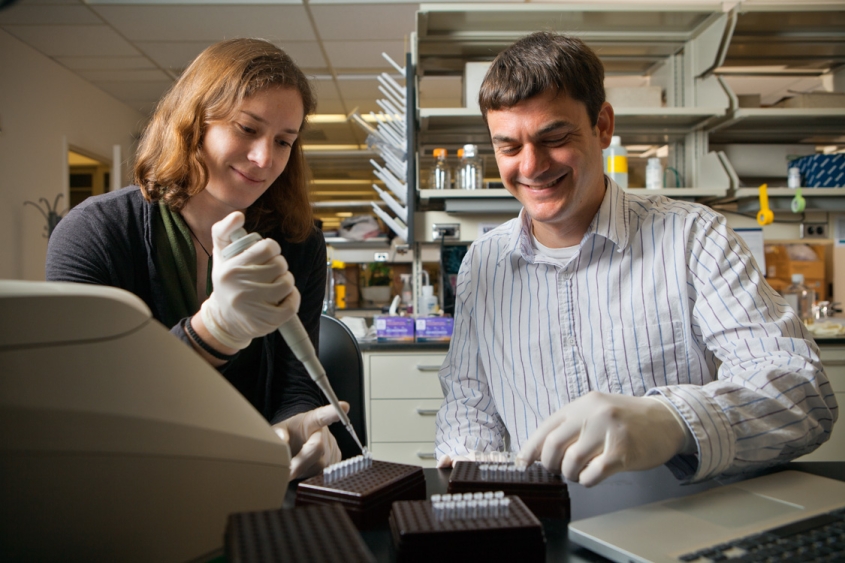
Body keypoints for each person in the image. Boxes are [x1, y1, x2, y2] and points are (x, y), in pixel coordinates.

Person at [434, 32, 838, 486]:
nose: (530, 166)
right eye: (509, 147)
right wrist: (470, 466)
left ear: (603, 126)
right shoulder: (482, 263)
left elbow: (802, 395)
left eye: (555, 137)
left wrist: (673, 421)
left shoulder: (692, 237)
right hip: (543, 520)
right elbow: (470, 399)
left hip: (681, 522)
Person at [46, 38, 343, 479]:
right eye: (247, 128)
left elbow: (295, 382)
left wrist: (303, 425)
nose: (264, 158)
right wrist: (214, 332)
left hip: (255, 480)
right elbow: (83, 405)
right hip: (130, 483)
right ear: (193, 122)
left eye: (284, 141)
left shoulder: (297, 242)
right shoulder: (95, 233)